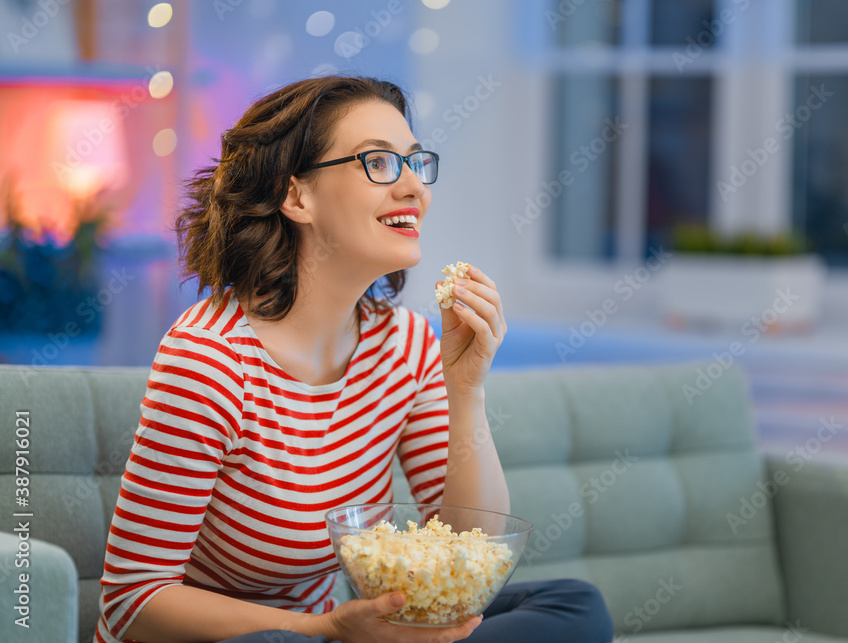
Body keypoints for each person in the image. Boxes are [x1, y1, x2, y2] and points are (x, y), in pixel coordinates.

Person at [95, 75, 615, 643]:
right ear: (296, 196)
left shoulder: (409, 346)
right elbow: (133, 600)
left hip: (332, 635)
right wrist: (327, 628)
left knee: (572, 606)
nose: (415, 188)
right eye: (380, 163)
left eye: (416, 163)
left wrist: (466, 391)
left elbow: (467, 556)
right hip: (252, 638)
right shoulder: (209, 361)